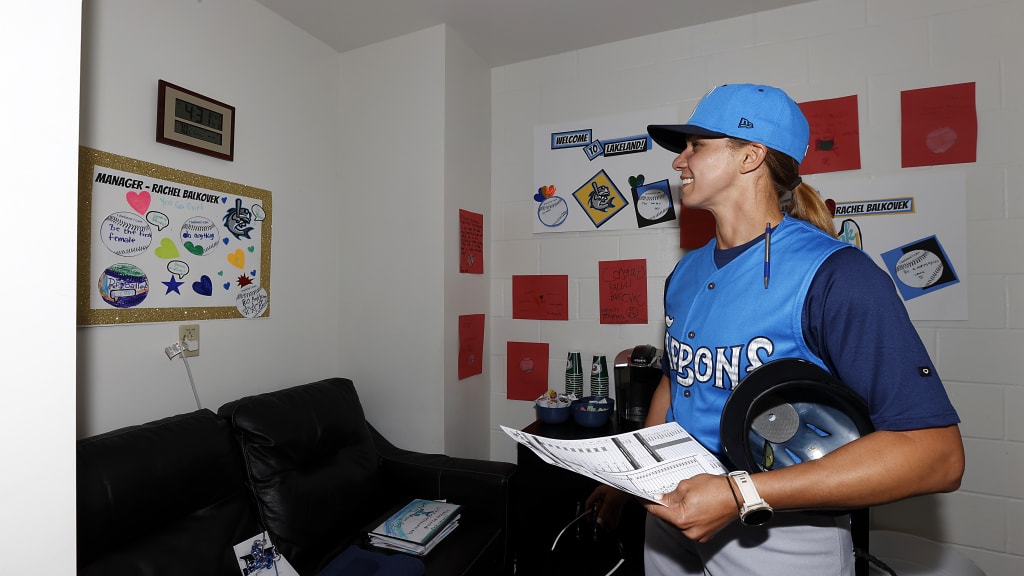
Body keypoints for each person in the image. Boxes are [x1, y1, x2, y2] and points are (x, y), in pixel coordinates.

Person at [586, 83, 964, 576]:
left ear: (751, 156)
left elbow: (936, 456)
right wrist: (632, 478)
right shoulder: (685, 273)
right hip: (674, 512)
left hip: (778, 526)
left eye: (696, 145)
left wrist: (738, 493)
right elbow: (675, 381)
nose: (680, 162)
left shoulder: (839, 275)